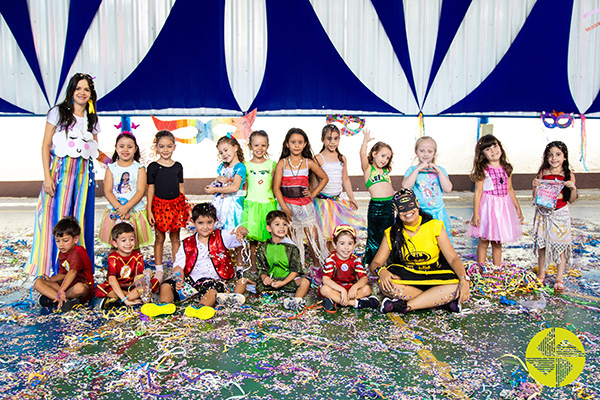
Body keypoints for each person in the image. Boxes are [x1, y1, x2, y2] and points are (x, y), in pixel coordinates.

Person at [25, 73, 100, 277]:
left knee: (80, 219)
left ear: (91, 93)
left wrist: (120, 162)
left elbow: (94, 149)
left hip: (84, 176)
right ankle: (52, 269)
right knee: (56, 217)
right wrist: (47, 177)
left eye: (86, 89)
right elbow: (45, 145)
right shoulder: (58, 113)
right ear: (71, 91)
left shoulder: (92, 117)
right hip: (61, 173)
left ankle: (79, 271)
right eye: (78, 89)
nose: (82, 93)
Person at [369, 189, 470, 314]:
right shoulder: (391, 233)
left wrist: (464, 279)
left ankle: (405, 306)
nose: (407, 211)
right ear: (396, 211)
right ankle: (439, 302)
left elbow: (453, 258)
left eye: (410, 206)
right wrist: (382, 271)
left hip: (435, 275)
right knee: (385, 286)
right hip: (409, 278)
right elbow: (375, 264)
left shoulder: (435, 226)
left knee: (456, 287)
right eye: (402, 208)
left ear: (417, 204)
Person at [148, 203, 248, 320]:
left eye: (209, 222)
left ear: (215, 221)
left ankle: (201, 308)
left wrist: (242, 231)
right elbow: (178, 266)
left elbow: (240, 233)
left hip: (214, 280)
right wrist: (178, 278)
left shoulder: (222, 236)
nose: (205, 227)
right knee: (166, 285)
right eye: (200, 223)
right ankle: (164, 305)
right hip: (191, 280)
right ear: (193, 222)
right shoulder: (186, 243)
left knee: (212, 290)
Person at [273, 128, 329, 283]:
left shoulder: (308, 162)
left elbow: (324, 178)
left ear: (305, 144)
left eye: (300, 142)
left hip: (305, 207)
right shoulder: (282, 164)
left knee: (313, 238)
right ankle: (295, 269)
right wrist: (284, 208)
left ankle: (317, 268)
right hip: (287, 207)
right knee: (291, 241)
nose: (296, 145)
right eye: (293, 142)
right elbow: (276, 187)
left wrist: (313, 193)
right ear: (287, 144)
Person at [234, 210, 310, 311]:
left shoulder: (291, 247)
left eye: (285, 224)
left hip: (287, 281)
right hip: (269, 283)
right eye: (277, 224)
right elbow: (261, 269)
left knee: (305, 282)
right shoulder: (263, 247)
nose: (282, 227)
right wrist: (265, 278)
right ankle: (233, 299)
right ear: (269, 228)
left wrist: (283, 283)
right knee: (242, 281)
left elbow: (295, 271)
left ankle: (295, 301)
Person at [467, 135, 523, 266]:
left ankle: (497, 269)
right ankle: (481, 268)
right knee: (484, 240)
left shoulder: (507, 168)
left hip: (502, 207)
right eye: (487, 149)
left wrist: (517, 207)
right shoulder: (483, 169)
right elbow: (478, 192)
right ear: (482, 154)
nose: (493, 151)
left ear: (500, 147)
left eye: (494, 146)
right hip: (487, 208)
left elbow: (510, 189)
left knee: (497, 241)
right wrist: (476, 214)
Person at [532, 141, 577, 291]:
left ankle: (559, 278)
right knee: (542, 246)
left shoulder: (568, 175)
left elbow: (571, 200)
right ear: (546, 157)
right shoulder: (543, 173)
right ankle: (541, 275)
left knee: (561, 247)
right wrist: (535, 186)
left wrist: (573, 188)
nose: (554, 158)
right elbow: (535, 198)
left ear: (564, 157)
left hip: (560, 214)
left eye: (558, 154)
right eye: (550, 155)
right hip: (544, 213)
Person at [147, 130, 190, 283]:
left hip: (176, 206)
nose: (165, 150)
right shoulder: (152, 167)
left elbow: (181, 188)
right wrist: (149, 210)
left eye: (169, 146)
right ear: (156, 147)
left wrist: (184, 206)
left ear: (174, 147)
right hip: (159, 206)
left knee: (175, 238)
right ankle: (159, 269)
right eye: (162, 146)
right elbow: (150, 189)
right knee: (159, 238)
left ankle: (176, 267)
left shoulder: (178, 166)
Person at [314, 124, 365, 250]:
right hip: (322, 204)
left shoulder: (341, 158)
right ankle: (324, 263)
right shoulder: (318, 158)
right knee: (324, 236)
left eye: (336, 139)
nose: (332, 142)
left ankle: (334, 263)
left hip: (337, 203)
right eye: (329, 138)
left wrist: (351, 198)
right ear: (322, 139)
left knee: (337, 236)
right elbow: (314, 181)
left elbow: (345, 179)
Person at [98, 133, 153, 248]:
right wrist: (120, 209)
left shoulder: (140, 168)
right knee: (115, 245)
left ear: (135, 149)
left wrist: (126, 208)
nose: (125, 150)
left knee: (133, 245)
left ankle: (135, 265)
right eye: (121, 146)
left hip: (134, 212)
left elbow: (140, 191)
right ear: (116, 148)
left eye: (130, 146)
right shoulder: (111, 168)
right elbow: (107, 191)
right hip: (115, 212)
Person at [33, 216, 94, 312]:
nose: (61, 244)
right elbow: (64, 274)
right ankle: (63, 301)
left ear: (76, 239)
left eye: (65, 241)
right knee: (38, 282)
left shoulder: (78, 251)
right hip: (67, 287)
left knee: (79, 288)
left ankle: (55, 298)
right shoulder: (62, 253)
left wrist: (61, 290)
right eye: (57, 241)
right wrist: (50, 280)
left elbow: (72, 272)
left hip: (81, 287)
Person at [402, 136, 454, 244]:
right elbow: (406, 186)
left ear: (434, 153)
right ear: (416, 152)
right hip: (420, 213)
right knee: (423, 240)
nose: (425, 154)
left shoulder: (440, 170)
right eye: (422, 151)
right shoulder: (412, 170)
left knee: (440, 239)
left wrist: (439, 172)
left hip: (438, 213)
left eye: (429, 151)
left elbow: (448, 188)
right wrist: (417, 170)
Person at [96, 222, 160, 308]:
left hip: (133, 286)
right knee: (100, 289)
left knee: (153, 283)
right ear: (115, 243)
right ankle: (128, 299)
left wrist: (146, 276)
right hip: (117, 286)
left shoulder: (137, 256)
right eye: (123, 240)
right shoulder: (113, 257)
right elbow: (112, 279)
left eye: (131, 239)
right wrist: (125, 299)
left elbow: (139, 280)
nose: (128, 243)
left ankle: (119, 301)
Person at [205, 135, 247, 266]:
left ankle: (240, 265)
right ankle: (224, 263)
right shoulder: (222, 167)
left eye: (226, 150)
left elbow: (235, 187)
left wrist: (216, 190)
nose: (224, 154)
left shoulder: (240, 167)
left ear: (235, 148)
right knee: (221, 234)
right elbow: (219, 181)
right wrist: (213, 185)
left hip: (233, 205)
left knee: (235, 233)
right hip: (221, 203)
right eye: (221, 152)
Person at [320, 225, 379, 313]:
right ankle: (355, 303)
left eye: (350, 243)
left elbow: (364, 278)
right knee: (324, 289)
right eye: (342, 243)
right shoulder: (331, 259)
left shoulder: (355, 259)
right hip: (337, 289)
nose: (346, 247)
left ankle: (338, 301)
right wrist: (342, 290)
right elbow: (326, 279)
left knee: (367, 289)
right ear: (334, 245)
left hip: (350, 290)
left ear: (354, 245)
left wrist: (355, 287)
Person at [241, 130, 277, 264]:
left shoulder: (272, 164)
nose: (259, 148)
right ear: (250, 146)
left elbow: (274, 186)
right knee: (253, 240)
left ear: (267, 146)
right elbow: (245, 187)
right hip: (252, 205)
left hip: (268, 205)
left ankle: (269, 266)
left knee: (270, 238)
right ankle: (254, 266)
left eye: (263, 145)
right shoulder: (246, 165)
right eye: (256, 145)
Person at [360, 129, 395, 267]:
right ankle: (373, 264)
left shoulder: (386, 172)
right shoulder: (368, 169)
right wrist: (365, 142)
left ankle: (388, 260)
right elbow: (362, 154)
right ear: (374, 154)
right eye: (382, 155)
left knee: (389, 235)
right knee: (375, 236)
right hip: (376, 207)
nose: (385, 160)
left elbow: (391, 189)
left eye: (388, 158)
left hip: (389, 206)